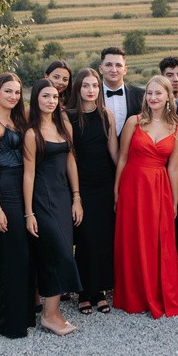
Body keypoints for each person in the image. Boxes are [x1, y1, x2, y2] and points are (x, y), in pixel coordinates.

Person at [113, 75, 178, 318]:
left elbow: (173, 167)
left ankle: (157, 290)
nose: (153, 97)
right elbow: (122, 158)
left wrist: (174, 200)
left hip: (159, 187)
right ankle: (134, 294)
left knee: (158, 239)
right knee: (134, 237)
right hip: (132, 185)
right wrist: (116, 189)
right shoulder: (134, 122)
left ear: (168, 97)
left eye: (158, 93)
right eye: (149, 93)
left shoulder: (177, 127)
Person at [24, 78, 83, 336]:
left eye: (54, 97)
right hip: (41, 198)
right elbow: (27, 175)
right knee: (58, 254)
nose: (50, 101)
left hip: (62, 197)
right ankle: (49, 314)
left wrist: (77, 197)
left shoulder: (63, 126)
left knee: (62, 252)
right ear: (36, 99)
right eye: (45, 96)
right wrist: (28, 213)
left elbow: (71, 163)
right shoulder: (31, 133)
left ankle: (53, 312)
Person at [0, 73, 34, 339]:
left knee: (24, 256)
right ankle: (8, 321)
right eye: (7, 91)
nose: (13, 96)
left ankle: (22, 315)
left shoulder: (17, 120)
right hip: (3, 188)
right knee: (13, 256)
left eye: (16, 92)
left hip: (22, 187)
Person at [66, 67, 118, 314]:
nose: (90, 90)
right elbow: (69, 157)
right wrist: (75, 194)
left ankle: (100, 291)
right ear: (78, 88)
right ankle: (83, 292)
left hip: (104, 184)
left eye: (95, 86)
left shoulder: (106, 114)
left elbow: (115, 152)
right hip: (80, 184)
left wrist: (123, 182)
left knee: (103, 237)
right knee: (85, 239)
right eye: (86, 86)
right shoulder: (67, 116)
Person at [159, 55, 178, 261]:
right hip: (156, 174)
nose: (175, 79)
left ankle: (176, 271)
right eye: (170, 75)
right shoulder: (152, 104)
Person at [99, 46, 144, 132]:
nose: (114, 70)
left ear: (125, 70)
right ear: (101, 69)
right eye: (109, 65)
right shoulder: (91, 95)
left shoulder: (141, 95)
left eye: (118, 65)